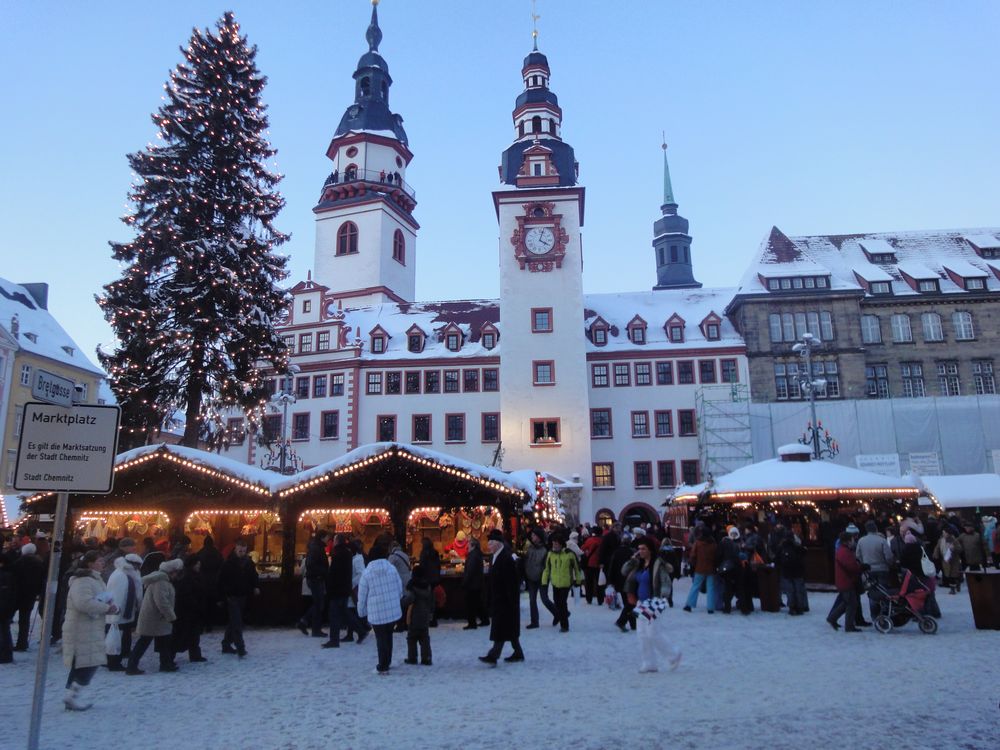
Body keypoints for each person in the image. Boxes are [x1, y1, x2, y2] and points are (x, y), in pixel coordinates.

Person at [62, 551, 118, 710]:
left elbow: (100, 598)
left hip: (90, 627)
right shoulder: (83, 581)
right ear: (90, 563)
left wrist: (111, 605)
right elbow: (83, 603)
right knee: (88, 662)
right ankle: (71, 695)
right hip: (81, 628)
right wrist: (107, 608)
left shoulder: (95, 579)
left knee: (84, 662)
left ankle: (71, 695)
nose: (103, 564)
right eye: (99, 561)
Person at [622, 537, 680, 673]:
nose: (640, 551)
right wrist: (632, 559)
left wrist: (663, 596)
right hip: (641, 602)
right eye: (639, 549)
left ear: (650, 550)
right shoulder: (638, 564)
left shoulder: (657, 564)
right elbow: (624, 571)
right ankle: (649, 662)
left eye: (643, 549)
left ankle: (673, 655)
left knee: (653, 632)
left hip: (654, 601)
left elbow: (666, 581)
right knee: (641, 633)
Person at [126, 558, 182, 674]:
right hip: (155, 618)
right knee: (145, 642)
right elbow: (161, 602)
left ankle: (165, 663)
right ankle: (132, 666)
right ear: (172, 571)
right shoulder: (161, 582)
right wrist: (171, 616)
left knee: (162, 641)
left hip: (156, 618)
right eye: (177, 572)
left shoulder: (161, 579)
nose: (177, 575)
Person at [479, 529, 524, 666]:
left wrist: (511, 601)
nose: (489, 545)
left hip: (505, 600)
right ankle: (518, 653)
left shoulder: (505, 558)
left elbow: (511, 582)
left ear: (498, 544)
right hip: (499, 599)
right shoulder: (495, 557)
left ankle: (493, 655)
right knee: (508, 629)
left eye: (491, 543)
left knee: (501, 628)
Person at [356, 544, 403, 674]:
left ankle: (382, 665)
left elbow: (362, 595)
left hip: (377, 612)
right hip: (392, 610)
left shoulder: (367, 573)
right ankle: (387, 661)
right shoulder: (392, 569)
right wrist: (396, 600)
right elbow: (400, 588)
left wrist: (361, 612)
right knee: (388, 635)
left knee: (381, 637)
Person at [323, 534, 367, 648]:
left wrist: (329, 585)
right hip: (345, 587)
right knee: (345, 612)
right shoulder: (348, 554)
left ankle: (334, 639)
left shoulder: (337, 553)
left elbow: (334, 572)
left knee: (334, 614)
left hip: (337, 588)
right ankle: (360, 631)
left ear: (337, 541)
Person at [219, 539, 259, 657]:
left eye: (243, 550)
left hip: (243, 595)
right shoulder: (228, 563)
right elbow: (221, 580)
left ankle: (226, 644)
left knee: (234, 621)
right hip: (232, 596)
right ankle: (240, 647)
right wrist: (222, 596)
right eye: (239, 549)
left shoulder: (248, 563)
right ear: (236, 549)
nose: (241, 551)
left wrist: (256, 586)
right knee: (237, 622)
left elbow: (254, 576)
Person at [104, 553, 144, 670]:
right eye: (137, 565)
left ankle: (114, 659)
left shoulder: (121, 573)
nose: (138, 568)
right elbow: (119, 596)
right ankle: (114, 662)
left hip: (121, 613)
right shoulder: (123, 576)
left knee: (118, 637)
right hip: (119, 614)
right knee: (117, 638)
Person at [542, 532, 583, 632]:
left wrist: (578, 581)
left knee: (562, 603)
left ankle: (564, 625)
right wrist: (544, 582)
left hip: (566, 583)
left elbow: (577, 569)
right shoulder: (550, 554)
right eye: (553, 543)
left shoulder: (569, 554)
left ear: (561, 544)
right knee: (557, 603)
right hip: (555, 583)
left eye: (556, 543)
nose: (554, 545)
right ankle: (562, 615)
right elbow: (547, 569)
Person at [855, 520, 894, 620]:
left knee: (872, 593)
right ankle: (884, 613)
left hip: (869, 570)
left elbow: (858, 556)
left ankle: (874, 615)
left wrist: (864, 564)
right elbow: (889, 557)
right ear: (876, 529)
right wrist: (889, 564)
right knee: (884, 591)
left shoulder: (861, 541)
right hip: (882, 569)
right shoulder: (881, 540)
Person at [172, 555, 208, 663]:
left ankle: (195, 654)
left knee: (193, 634)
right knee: (184, 634)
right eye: (197, 564)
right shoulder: (187, 577)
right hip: (188, 611)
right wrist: (195, 604)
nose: (199, 566)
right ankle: (170, 657)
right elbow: (185, 594)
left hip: (192, 610)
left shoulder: (193, 575)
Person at [11, 542, 44, 651]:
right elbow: (42, 580)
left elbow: (13, 578)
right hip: (31, 595)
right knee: (24, 620)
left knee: (7, 618)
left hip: (18, 593)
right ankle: (22, 643)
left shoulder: (19, 562)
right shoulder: (39, 563)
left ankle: (7, 642)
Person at [297, 530, 330, 638]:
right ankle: (314, 628)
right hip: (316, 578)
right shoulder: (316, 548)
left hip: (316, 578)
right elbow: (311, 564)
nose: (328, 540)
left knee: (318, 603)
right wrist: (323, 571)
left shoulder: (316, 547)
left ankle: (305, 622)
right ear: (322, 537)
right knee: (319, 604)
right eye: (327, 537)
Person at [826, 532, 861, 632]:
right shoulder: (844, 551)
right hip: (846, 580)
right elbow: (851, 566)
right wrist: (861, 567)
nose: (853, 541)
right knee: (851, 603)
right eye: (852, 539)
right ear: (848, 540)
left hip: (843, 580)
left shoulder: (842, 550)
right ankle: (848, 626)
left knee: (847, 602)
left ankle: (832, 618)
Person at [401, 564, 433, 666]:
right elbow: (432, 601)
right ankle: (426, 657)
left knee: (412, 638)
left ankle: (412, 657)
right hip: (425, 616)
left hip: (414, 616)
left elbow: (409, 599)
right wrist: (431, 612)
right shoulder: (428, 587)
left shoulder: (413, 588)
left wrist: (401, 602)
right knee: (424, 638)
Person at [523, 528, 554, 629]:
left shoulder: (545, 549)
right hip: (531, 576)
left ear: (539, 537)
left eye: (534, 535)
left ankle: (559, 614)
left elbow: (547, 566)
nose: (532, 537)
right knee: (532, 600)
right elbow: (527, 560)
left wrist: (544, 576)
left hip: (542, 577)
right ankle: (534, 622)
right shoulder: (530, 547)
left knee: (544, 599)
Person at [683, 527, 718, 614]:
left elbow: (693, 555)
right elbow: (717, 556)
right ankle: (710, 608)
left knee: (695, 586)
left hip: (699, 568)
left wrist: (692, 564)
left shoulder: (698, 543)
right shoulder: (713, 544)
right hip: (711, 569)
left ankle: (689, 605)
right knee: (711, 588)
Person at [196, 535, 224, 632]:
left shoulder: (200, 553)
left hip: (202, 582)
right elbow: (222, 566)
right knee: (211, 605)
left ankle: (201, 625)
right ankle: (209, 625)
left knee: (202, 604)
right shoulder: (217, 553)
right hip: (214, 583)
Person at [776, 532, 808, 616]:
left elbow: (777, 559)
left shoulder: (782, 547)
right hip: (798, 571)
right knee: (798, 590)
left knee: (790, 591)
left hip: (786, 572)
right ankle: (800, 607)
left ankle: (792, 607)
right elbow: (804, 552)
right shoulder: (797, 546)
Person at [462, 537, 489, 629]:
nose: (467, 545)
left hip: (472, 584)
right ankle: (485, 620)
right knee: (478, 603)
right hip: (477, 583)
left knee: (471, 604)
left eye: (468, 543)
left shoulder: (473, 555)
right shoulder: (476, 554)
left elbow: (470, 570)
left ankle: (472, 623)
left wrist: (465, 581)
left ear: (472, 545)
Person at [386, 539, 412, 633]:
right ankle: (406, 623)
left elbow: (387, 568)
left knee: (399, 604)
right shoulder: (404, 555)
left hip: (399, 581)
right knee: (405, 603)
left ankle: (400, 624)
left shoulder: (393, 557)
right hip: (408, 579)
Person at [418, 538, 441, 627]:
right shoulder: (435, 553)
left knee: (427, 600)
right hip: (434, 579)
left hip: (426, 579)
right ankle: (433, 618)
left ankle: (428, 619)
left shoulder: (424, 553)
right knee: (432, 599)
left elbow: (422, 566)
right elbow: (438, 566)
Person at [0, 552, 18, 663]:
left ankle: (5, 655)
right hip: (7, 608)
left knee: (3, 632)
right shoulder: (11, 574)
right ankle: (6, 654)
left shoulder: (5, 576)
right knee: (5, 631)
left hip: (3, 608)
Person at [934, 528, 962, 594]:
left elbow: (960, 549)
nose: (943, 534)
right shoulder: (941, 540)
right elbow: (937, 548)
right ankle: (956, 582)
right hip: (945, 560)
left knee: (953, 574)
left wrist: (954, 548)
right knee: (948, 575)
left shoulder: (954, 540)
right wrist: (936, 554)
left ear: (948, 533)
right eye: (943, 532)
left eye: (945, 532)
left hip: (954, 560)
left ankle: (952, 589)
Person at [580, 529, 603, 604]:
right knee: (599, 582)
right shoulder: (603, 541)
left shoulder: (589, 540)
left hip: (589, 564)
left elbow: (582, 548)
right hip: (599, 564)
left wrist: (587, 551)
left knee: (589, 582)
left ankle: (589, 599)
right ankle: (600, 600)